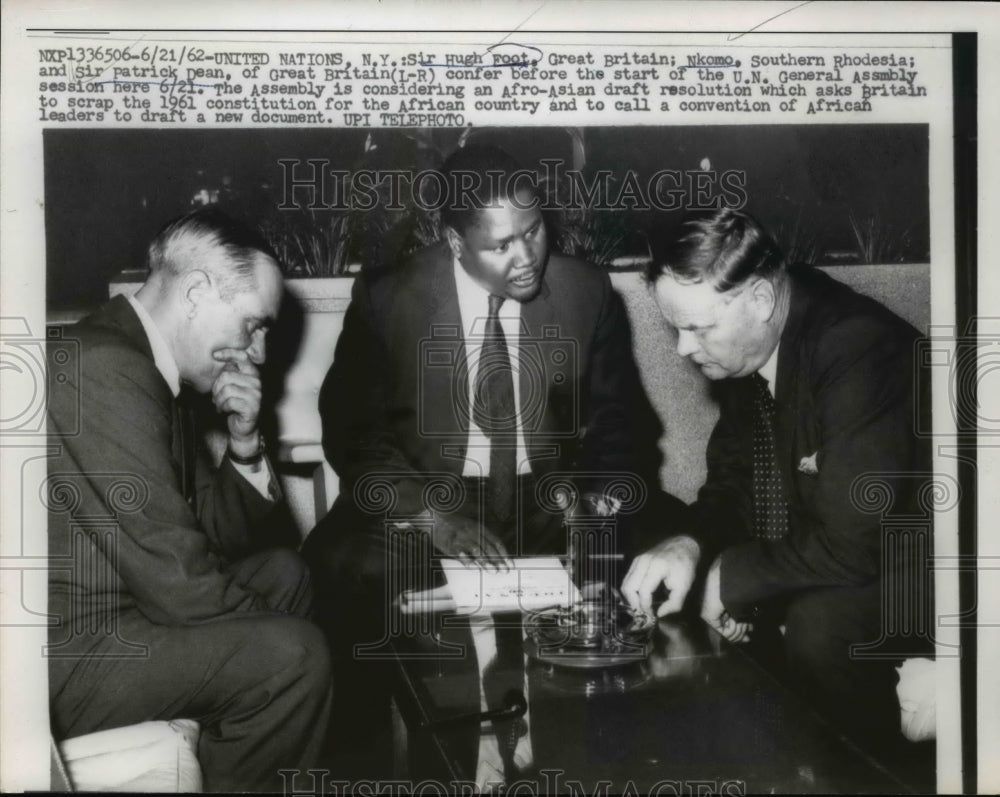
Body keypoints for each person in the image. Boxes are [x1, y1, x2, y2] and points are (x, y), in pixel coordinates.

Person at [303, 144, 668, 772]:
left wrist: (596, 503)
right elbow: (355, 436)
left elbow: (620, 425)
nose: (527, 258)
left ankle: (592, 759)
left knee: (652, 543)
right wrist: (433, 519)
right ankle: (393, 766)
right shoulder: (389, 299)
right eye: (501, 245)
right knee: (343, 565)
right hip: (432, 493)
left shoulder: (585, 291)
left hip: (548, 496)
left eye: (534, 232)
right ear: (454, 242)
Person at [622, 208, 931, 758]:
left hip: (939, 568)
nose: (682, 350)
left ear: (761, 301)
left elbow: (855, 544)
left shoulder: (859, 348)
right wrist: (688, 545)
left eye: (697, 328)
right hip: (849, 544)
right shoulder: (755, 346)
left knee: (820, 625)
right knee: (654, 531)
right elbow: (734, 484)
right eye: (676, 329)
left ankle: (865, 776)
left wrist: (731, 577)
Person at [47, 208, 332, 792]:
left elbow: (209, 535)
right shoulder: (101, 367)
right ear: (198, 291)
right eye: (253, 324)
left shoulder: (148, 367)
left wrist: (246, 442)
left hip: (120, 613)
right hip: (62, 655)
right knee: (296, 656)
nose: (255, 352)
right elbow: (177, 577)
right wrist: (287, 636)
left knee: (286, 572)